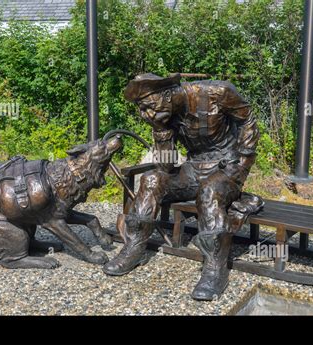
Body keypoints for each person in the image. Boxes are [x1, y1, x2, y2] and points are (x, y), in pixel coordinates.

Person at [103, 73, 260, 300]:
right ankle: (134, 246)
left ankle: (216, 268)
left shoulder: (218, 92)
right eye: (141, 109)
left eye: (148, 106)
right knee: (151, 179)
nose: (146, 114)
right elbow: (166, 167)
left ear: (167, 94)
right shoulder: (164, 113)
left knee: (210, 191)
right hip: (193, 167)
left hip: (227, 168)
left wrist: (243, 164)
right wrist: (160, 129)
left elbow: (247, 120)